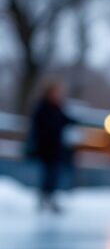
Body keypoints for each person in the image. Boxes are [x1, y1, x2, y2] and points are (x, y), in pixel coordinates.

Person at [31, 83, 77, 213]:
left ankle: (50, 198)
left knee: (54, 175)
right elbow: (40, 128)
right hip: (45, 148)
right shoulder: (42, 108)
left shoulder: (58, 108)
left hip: (56, 149)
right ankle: (43, 199)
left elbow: (66, 120)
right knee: (47, 175)